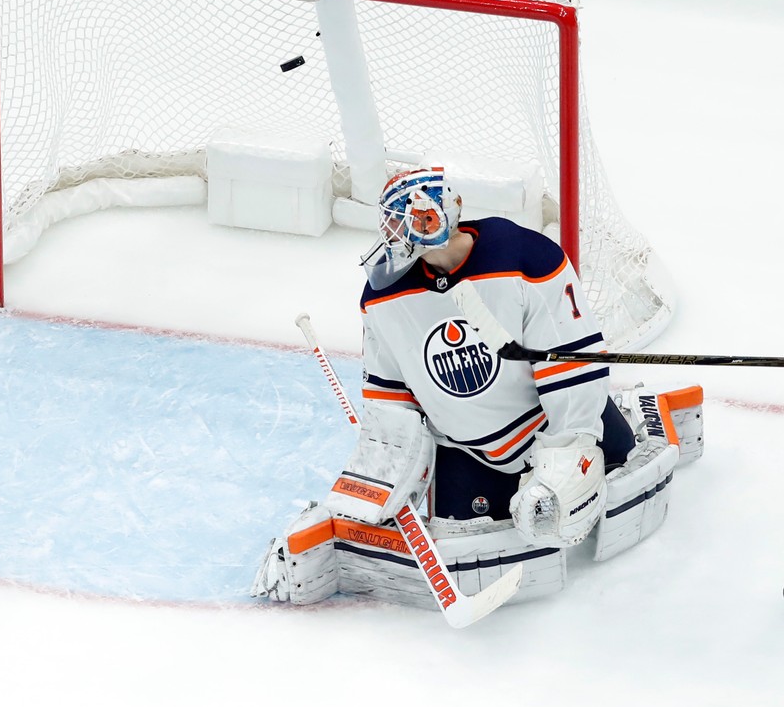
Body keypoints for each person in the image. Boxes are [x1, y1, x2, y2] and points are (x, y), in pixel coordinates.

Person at [251, 166, 704, 608]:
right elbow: (392, 399)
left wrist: (570, 453)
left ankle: (623, 419)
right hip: (467, 449)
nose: (397, 234)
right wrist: (380, 480)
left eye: (410, 219)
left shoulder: (525, 257)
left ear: (443, 214)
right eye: (391, 222)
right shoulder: (382, 296)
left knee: (608, 486)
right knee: (469, 545)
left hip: (546, 425)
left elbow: (571, 368)